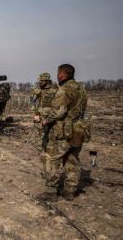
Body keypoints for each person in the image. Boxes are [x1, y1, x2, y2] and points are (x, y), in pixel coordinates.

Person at [39, 64, 88, 201]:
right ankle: (70, 191)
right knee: (72, 159)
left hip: (63, 131)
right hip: (78, 129)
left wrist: (45, 118)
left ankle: (50, 192)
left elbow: (58, 112)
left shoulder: (64, 90)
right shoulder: (81, 88)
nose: (57, 75)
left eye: (58, 73)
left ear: (62, 75)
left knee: (52, 158)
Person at [31, 72, 58, 179]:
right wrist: (35, 114)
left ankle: (51, 170)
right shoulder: (37, 90)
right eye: (39, 80)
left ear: (47, 80)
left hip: (51, 120)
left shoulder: (55, 89)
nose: (40, 82)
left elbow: (58, 105)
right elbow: (33, 102)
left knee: (52, 145)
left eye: (42, 81)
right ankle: (46, 170)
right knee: (41, 145)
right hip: (40, 120)